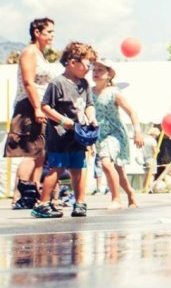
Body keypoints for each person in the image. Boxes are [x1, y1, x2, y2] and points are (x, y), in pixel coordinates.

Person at [33, 42, 98, 218]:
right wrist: (62, 120)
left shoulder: (84, 84)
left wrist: (91, 117)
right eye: (87, 64)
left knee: (78, 167)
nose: (89, 69)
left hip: (78, 134)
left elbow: (89, 105)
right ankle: (43, 203)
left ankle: (80, 202)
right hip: (60, 135)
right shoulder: (58, 83)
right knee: (57, 168)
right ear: (72, 62)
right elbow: (45, 106)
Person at [5, 17, 55, 210]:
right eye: (49, 32)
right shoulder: (29, 52)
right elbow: (28, 82)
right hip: (29, 105)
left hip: (42, 106)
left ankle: (32, 194)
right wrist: (36, 107)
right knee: (32, 152)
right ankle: (20, 196)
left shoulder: (41, 54)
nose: (52, 36)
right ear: (37, 32)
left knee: (41, 153)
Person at [90, 58, 144, 209]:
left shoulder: (114, 93)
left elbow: (131, 111)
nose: (96, 73)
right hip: (99, 135)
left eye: (100, 70)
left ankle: (116, 199)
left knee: (106, 164)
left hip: (115, 133)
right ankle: (130, 192)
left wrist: (137, 132)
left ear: (109, 75)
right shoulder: (89, 93)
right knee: (118, 171)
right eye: (94, 70)